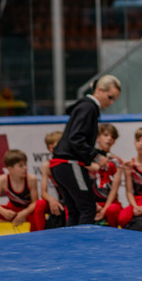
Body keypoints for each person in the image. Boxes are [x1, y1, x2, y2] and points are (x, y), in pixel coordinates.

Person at [50, 75, 121, 226]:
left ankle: (73, 240)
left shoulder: (84, 106)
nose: (111, 102)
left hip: (60, 164)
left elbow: (76, 139)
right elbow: (76, 139)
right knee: (88, 208)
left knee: (75, 209)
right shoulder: (89, 107)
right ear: (99, 90)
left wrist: (102, 156)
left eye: (114, 99)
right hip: (70, 163)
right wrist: (96, 157)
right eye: (110, 97)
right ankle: (82, 241)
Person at [0, 149, 39, 237]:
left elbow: (35, 202)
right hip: (12, 211)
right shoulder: (3, 179)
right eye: (21, 166)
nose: (25, 168)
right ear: (10, 169)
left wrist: (24, 213)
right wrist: (3, 211)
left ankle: (35, 237)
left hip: (27, 211)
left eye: (25, 164)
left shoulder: (31, 179)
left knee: (36, 212)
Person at [89, 123, 123, 227]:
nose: (109, 139)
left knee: (112, 210)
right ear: (98, 138)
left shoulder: (116, 161)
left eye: (112, 137)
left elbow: (114, 189)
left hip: (110, 202)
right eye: (106, 135)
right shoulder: (88, 159)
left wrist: (104, 210)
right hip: (91, 201)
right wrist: (94, 205)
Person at [34, 131, 65, 231]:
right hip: (61, 199)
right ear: (51, 148)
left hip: (72, 200)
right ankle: (40, 233)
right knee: (40, 204)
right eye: (61, 143)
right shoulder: (47, 165)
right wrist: (52, 200)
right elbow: (43, 193)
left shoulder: (69, 162)